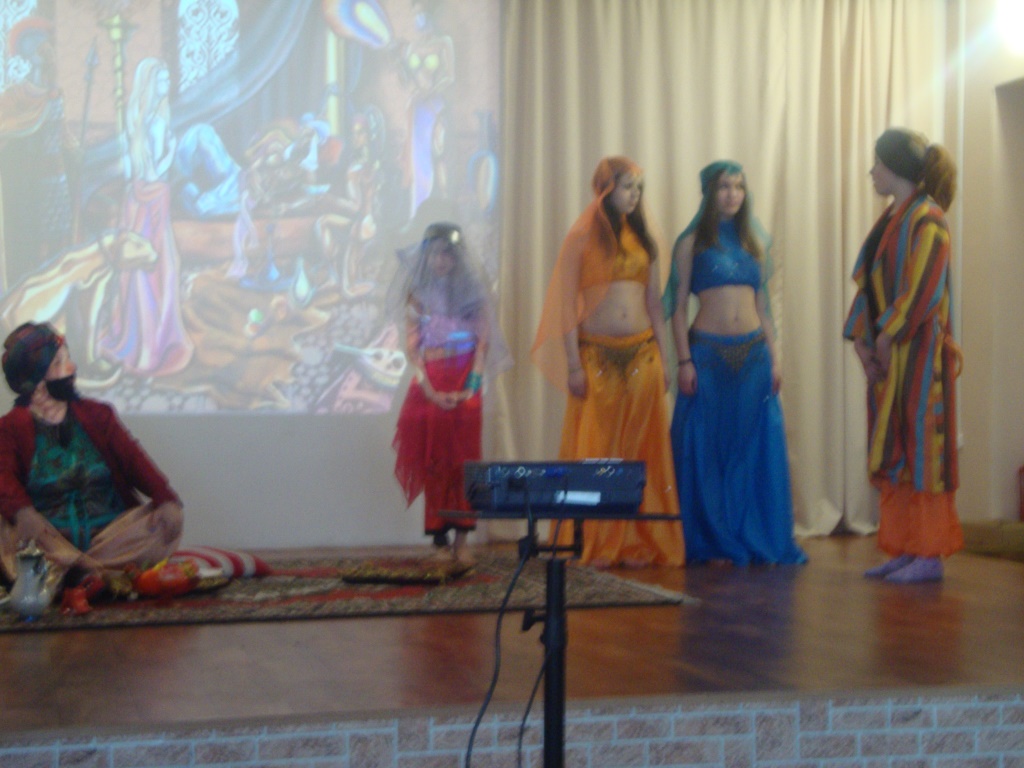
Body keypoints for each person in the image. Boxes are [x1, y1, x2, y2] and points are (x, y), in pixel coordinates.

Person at [532, 156, 683, 568]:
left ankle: (638, 541)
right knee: (597, 451)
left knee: (641, 449)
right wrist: (573, 365)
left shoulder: (644, 238)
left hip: (643, 353)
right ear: (605, 189)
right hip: (595, 356)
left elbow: (655, 303)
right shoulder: (581, 238)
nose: (634, 195)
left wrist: (665, 359)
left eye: (638, 188)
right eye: (627, 186)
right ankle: (596, 541)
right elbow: (566, 305)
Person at [663, 160, 806, 566]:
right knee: (707, 450)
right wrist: (684, 361)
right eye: (725, 186)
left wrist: (775, 360)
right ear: (710, 192)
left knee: (752, 449)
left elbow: (764, 307)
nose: (732, 194)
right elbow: (676, 308)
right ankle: (712, 540)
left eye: (739, 186)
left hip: (754, 356)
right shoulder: (691, 243)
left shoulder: (753, 241)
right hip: (707, 357)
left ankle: (754, 534)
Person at [844, 128, 963, 583]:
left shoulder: (928, 219)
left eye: (877, 162)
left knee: (921, 448)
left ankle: (928, 552)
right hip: (891, 358)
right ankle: (905, 544)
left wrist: (886, 337)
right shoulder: (892, 219)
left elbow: (922, 291)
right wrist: (862, 339)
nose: (872, 171)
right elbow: (869, 285)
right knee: (895, 447)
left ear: (895, 166)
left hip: (920, 359)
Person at [0, 322, 183, 610]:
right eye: (59, 363)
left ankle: (74, 574)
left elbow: (133, 459)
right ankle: (100, 574)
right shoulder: (10, 428)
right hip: (50, 539)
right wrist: (24, 514)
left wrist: (165, 498)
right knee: (8, 530)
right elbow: (4, 479)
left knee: (163, 520)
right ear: (37, 379)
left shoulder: (98, 415)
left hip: (109, 536)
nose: (72, 368)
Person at [392, 222, 509, 563]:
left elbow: (482, 344)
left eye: (447, 254)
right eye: (434, 254)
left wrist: (471, 387)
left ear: (457, 258)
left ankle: (463, 540)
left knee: (464, 461)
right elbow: (413, 348)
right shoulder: (417, 293)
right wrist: (430, 390)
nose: (440, 261)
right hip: (431, 382)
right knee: (436, 461)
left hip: (465, 380)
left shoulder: (473, 294)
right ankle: (439, 541)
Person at [100, 57, 193, 377]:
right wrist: (172, 149)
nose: (168, 85)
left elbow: (135, 171)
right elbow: (155, 172)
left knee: (137, 274)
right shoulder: (155, 123)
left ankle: (136, 338)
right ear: (151, 84)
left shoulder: (137, 120)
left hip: (136, 198)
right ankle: (152, 344)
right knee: (157, 271)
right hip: (153, 197)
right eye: (163, 80)